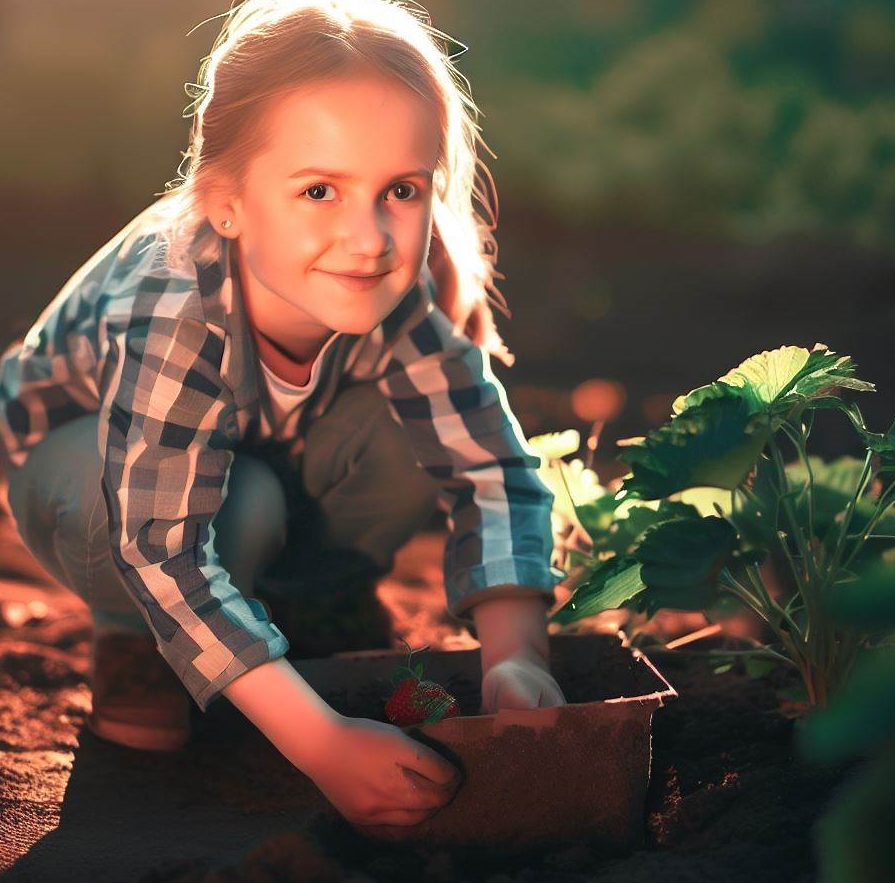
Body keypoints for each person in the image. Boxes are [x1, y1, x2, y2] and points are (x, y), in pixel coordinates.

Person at [0, 0, 567, 829]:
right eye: (319, 190)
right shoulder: (174, 303)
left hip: (249, 461)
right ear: (226, 202)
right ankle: (137, 645)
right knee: (238, 502)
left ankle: (304, 601)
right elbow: (159, 546)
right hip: (90, 481)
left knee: (412, 438)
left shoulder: (394, 298)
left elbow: (493, 471)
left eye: (400, 190)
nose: (369, 237)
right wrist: (326, 742)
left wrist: (518, 657)